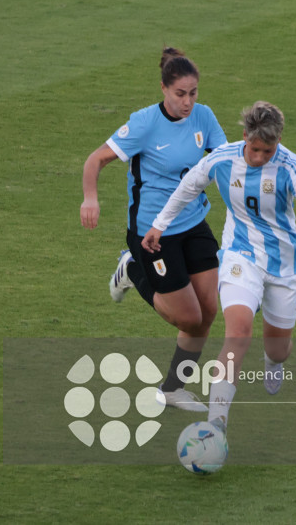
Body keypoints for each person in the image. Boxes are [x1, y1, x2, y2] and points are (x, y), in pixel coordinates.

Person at [141, 101, 296, 428]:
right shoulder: (223, 158)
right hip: (241, 255)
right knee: (237, 332)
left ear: (278, 143)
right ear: (244, 138)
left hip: (284, 264)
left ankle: (273, 361)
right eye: (255, 149)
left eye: (268, 151)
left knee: (278, 348)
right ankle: (216, 423)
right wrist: (159, 224)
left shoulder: (290, 166)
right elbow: (189, 187)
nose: (260, 158)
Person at [80, 47, 227, 412]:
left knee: (208, 311)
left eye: (193, 93)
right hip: (152, 233)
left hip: (193, 223)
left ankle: (173, 389)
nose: (188, 102)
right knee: (188, 317)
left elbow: (224, 163)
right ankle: (131, 269)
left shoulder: (204, 118)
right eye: (180, 94)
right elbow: (96, 159)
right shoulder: (145, 124)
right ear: (163, 89)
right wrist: (90, 199)